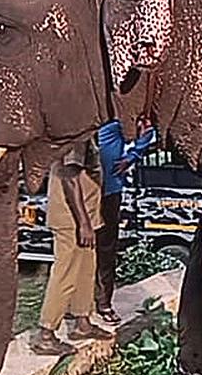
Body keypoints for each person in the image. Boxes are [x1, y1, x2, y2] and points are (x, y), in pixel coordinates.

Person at [31, 137, 115, 356]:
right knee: (65, 273)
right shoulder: (76, 135)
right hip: (72, 220)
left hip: (86, 216)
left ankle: (82, 321)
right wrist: (83, 223)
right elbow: (69, 177)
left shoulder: (87, 133)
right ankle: (46, 334)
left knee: (86, 269)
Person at [93, 118, 158, 324]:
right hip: (83, 190)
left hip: (109, 192)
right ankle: (78, 304)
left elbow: (147, 129)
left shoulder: (118, 116)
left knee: (106, 248)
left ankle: (104, 303)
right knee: (80, 251)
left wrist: (132, 156)